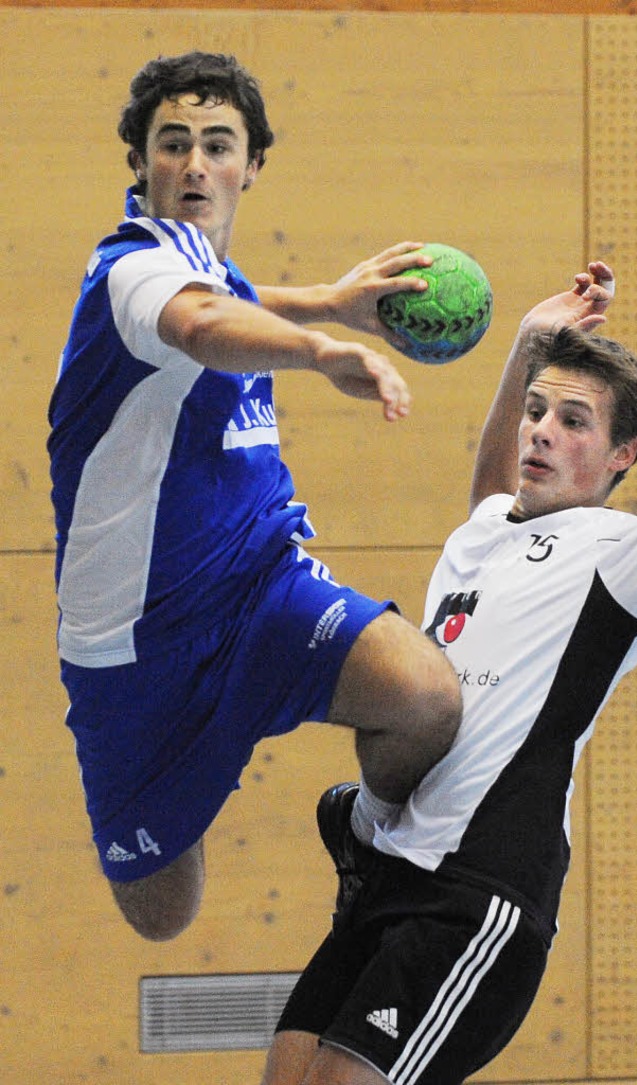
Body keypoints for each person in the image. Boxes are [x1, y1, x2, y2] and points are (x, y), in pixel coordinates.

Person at [47, 51, 462, 942]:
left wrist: (329, 302)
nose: (194, 163)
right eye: (173, 144)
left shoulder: (204, 268)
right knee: (165, 915)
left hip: (257, 587)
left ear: (251, 166)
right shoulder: (132, 269)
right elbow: (200, 322)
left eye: (217, 144)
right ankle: (184, 770)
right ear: (141, 165)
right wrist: (315, 352)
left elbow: (228, 293)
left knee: (425, 693)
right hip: (135, 648)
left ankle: (371, 863)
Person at [261, 262, 637, 1085]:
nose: (540, 429)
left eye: (574, 421)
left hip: (481, 888)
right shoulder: (485, 530)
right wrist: (526, 348)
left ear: (623, 455)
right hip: (393, 869)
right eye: (538, 411)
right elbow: (491, 487)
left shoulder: (620, 554)